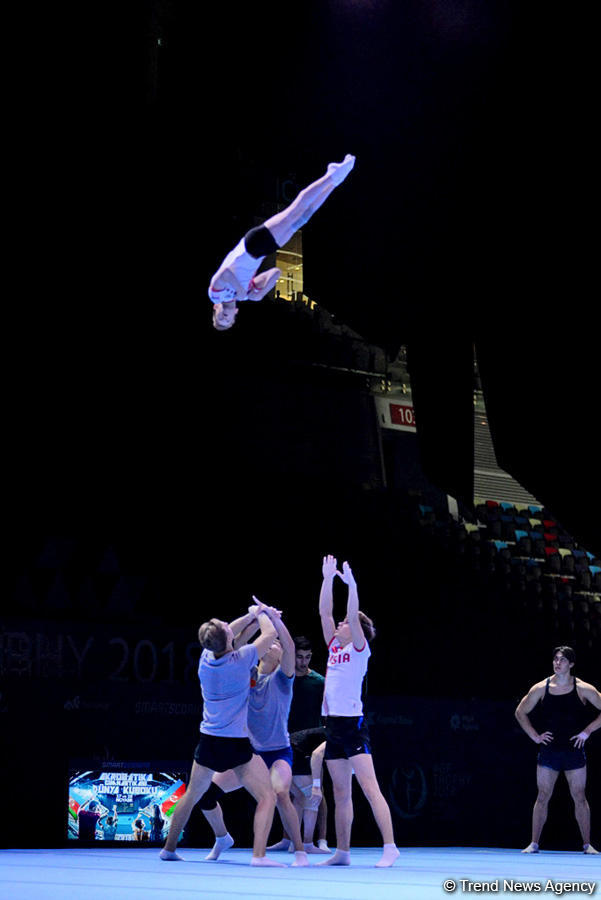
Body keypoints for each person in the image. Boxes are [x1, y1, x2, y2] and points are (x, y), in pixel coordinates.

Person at [160, 601, 285, 866]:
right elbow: (270, 635)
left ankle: (168, 848)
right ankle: (259, 856)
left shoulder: (206, 658)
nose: (229, 625)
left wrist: (250, 615)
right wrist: (263, 612)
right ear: (228, 638)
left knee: (193, 793)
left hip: (208, 740)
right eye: (226, 626)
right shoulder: (241, 661)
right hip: (236, 744)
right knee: (266, 796)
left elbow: (231, 634)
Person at [197, 607, 310, 866]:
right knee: (206, 795)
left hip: (278, 752)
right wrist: (256, 615)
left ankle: (300, 851)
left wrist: (274, 621)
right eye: (272, 644)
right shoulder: (244, 675)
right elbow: (234, 644)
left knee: (281, 793)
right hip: (249, 755)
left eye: (277, 646)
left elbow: (290, 647)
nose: (274, 646)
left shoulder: (283, 678)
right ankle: (221, 837)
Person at [209, 154, 355, 330]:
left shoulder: (216, 295)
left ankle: (330, 175)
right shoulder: (245, 295)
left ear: (216, 309)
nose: (224, 317)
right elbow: (276, 272)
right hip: (263, 251)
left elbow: (225, 273)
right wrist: (259, 293)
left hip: (251, 245)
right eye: (228, 321)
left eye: (220, 318)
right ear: (236, 314)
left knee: (294, 211)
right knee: (302, 218)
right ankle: (333, 183)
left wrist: (240, 290)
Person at [317, 555, 399, 868]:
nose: (338, 625)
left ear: (355, 630)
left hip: (353, 726)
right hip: (332, 726)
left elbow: (350, 616)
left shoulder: (359, 650)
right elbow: (325, 612)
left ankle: (390, 847)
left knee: (369, 787)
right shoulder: (334, 649)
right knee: (340, 791)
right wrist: (327, 579)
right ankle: (343, 852)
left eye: (344, 625)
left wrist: (351, 585)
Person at [515, 645, 601, 854]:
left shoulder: (583, 688)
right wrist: (535, 736)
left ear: (571, 664)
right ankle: (534, 843)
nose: (557, 663)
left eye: (562, 660)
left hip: (573, 750)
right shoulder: (540, 688)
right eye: (555, 659)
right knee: (543, 795)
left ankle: (587, 844)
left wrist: (587, 731)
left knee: (579, 796)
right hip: (549, 751)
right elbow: (520, 712)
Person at [268, 635, 330, 853]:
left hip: (313, 742)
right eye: (299, 657)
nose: (303, 662)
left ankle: (320, 840)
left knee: (315, 790)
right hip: (287, 740)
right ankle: (288, 838)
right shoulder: (286, 678)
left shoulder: (320, 682)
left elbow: (328, 712)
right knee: (286, 792)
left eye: (307, 657)